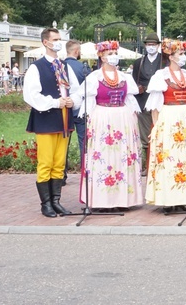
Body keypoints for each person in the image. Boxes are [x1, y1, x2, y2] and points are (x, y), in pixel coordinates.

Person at [23, 28, 84, 218]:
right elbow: (31, 95)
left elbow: (76, 89)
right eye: (55, 39)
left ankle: (56, 201)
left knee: (59, 163)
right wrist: (55, 102)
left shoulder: (64, 66)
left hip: (63, 120)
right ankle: (46, 204)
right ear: (45, 42)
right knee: (46, 162)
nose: (58, 42)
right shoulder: (37, 67)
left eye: (60, 39)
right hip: (46, 119)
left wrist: (72, 100)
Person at [145, 38, 186, 212]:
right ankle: (168, 198)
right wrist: (156, 126)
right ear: (172, 56)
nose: (184, 57)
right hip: (168, 116)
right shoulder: (161, 76)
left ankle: (185, 197)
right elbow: (155, 106)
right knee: (169, 157)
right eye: (181, 54)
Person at [79, 41, 144, 209]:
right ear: (101, 56)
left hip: (122, 119)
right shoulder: (94, 78)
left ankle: (123, 199)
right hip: (103, 118)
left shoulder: (124, 77)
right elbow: (88, 102)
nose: (113, 56)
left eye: (115, 52)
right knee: (104, 156)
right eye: (109, 53)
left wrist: (132, 118)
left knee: (122, 156)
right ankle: (102, 199)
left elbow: (130, 100)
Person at [131, 32, 163, 176]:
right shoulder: (139, 62)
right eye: (149, 45)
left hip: (160, 101)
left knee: (161, 130)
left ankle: (161, 162)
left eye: (154, 45)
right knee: (146, 134)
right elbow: (134, 81)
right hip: (143, 100)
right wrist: (138, 87)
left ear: (158, 46)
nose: (151, 47)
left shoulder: (165, 60)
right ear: (145, 46)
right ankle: (147, 164)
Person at [63, 40, 90, 184]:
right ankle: (85, 172)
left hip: (64, 108)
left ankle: (61, 175)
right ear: (76, 51)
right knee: (83, 142)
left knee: (63, 143)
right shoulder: (83, 67)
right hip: (81, 109)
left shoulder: (60, 66)